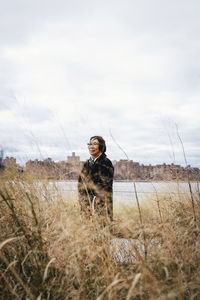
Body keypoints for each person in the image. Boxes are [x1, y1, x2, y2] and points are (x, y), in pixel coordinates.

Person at [78, 136, 114, 222]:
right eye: (90, 144)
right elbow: (80, 181)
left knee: (102, 226)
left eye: (95, 144)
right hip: (86, 202)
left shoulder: (106, 162)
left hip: (101, 202)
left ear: (101, 146)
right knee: (87, 227)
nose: (91, 146)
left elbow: (105, 184)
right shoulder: (87, 163)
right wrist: (82, 197)